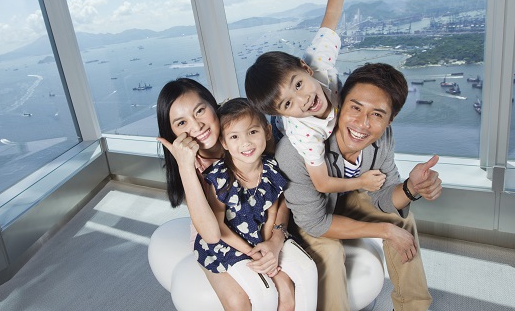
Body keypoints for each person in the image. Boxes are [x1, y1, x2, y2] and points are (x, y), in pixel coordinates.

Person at [275, 62, 443, 311]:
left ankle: (413, 307)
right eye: (355, 108)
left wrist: (411, 187)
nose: (362, 124)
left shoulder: (383, 138)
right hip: (305, 218)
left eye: (377, 114)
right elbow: (315, 223)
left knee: (402, 220)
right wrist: (385, 231)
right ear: (340, 103)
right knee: (330, 252)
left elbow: (385, 196)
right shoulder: (296, 150)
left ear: (390, 120)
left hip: (343, 201)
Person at [245, 0, 385, 198]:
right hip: (286, 131)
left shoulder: (317, 61)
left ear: (305, 68)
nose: (303, 99)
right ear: (283, 112)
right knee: (278, 159)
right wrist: (361, 182)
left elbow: (331, 13)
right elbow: (321, 183)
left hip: (300, 110)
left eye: (298, 84)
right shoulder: (304, 134)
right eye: (288, 103)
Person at [156, 79, 287, 310]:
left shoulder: (246, 131)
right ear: (173, 132)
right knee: (238, 302)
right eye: (182, 122)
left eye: (200, 110)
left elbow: (277, 190)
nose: (196, 126)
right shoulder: (192, 166)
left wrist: (276, 238)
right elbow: (211, 233)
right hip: (218, 239)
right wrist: (185, 166)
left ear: (212, 105)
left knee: (285, 289)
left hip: (260, 226)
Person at [194, 98, 318, 311]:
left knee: (307, 270)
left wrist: (269, 246)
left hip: (262, 236)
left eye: (252, 132)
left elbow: (272, 210)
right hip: (230, 243)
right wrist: (253, 252)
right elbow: (218, 227)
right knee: (265, 294)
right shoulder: (220, 177)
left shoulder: (270, 167)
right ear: (224, 143)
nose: (246, 143)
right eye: (234, 136)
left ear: (267, 131)